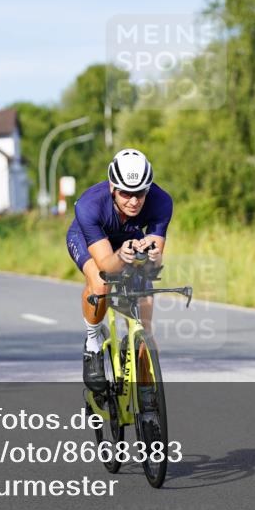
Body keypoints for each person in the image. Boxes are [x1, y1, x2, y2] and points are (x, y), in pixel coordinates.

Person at [66, 148, 172, 391]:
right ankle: (92, 343)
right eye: (126, 193)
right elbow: (106, 265)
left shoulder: (162, 202)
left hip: (129, 239)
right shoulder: (89, 205)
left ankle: (148, 400)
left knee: (145, 324)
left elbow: (155, 262)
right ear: (113, 187)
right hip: (90, 239)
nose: (134, 201)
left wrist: (152, 255)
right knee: (101, 281)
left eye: (140, 193)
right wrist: (121, 255)